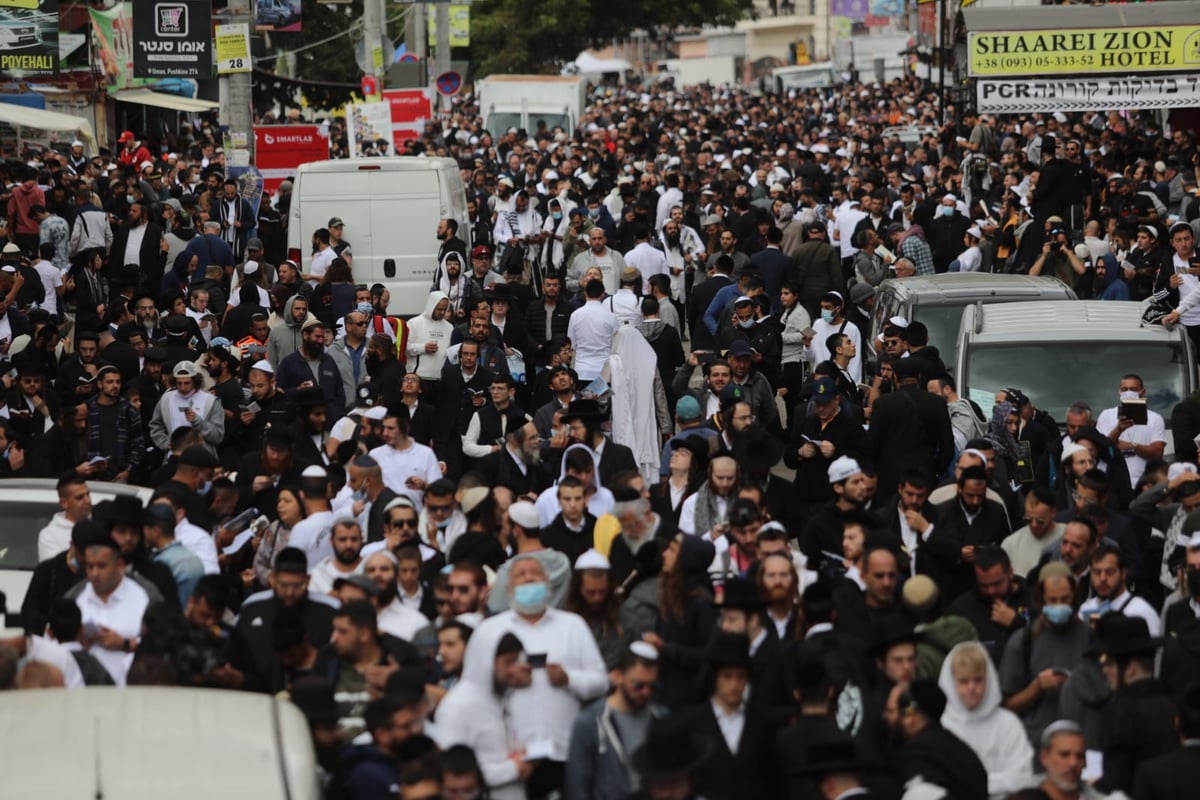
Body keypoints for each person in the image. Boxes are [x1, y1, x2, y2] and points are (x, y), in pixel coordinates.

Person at [459, 554, 608, 798]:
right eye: (521, 574)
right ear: (508, 589)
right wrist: (505, 678)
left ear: (549, 584)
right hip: (509, 755)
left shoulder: (572, 625)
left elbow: (601, 682)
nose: (528, 577)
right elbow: (471, 689)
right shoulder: (489, 631)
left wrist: (568, 679)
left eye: (535, 573)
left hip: (566, 750)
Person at [435, 631, 532, 800]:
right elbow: (452, 775)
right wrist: (513, 769)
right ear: (485, 661)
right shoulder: (457, 706)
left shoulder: (500, 697)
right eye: (508, 662)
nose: (514, 669)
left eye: (516, 661)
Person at [566, 641, 666, 800]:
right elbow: (578, 787)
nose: (646, 692)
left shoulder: (660, 717)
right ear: (618, 677)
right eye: (638, 685)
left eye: (652, 686)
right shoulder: (589, 723)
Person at [937, 642, 1033, 797]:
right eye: (963, 681)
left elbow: (1021, 777)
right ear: (950, 682)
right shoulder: (941, 726)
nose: (972, 687)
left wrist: (969, 784)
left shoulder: (1008, 724)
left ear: (989, 679)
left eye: (978, 679)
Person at [883, 678, 988, 798]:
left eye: (890, 711)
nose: (886, 717)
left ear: (910, 717)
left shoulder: (917, 754)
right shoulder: (959, 749)